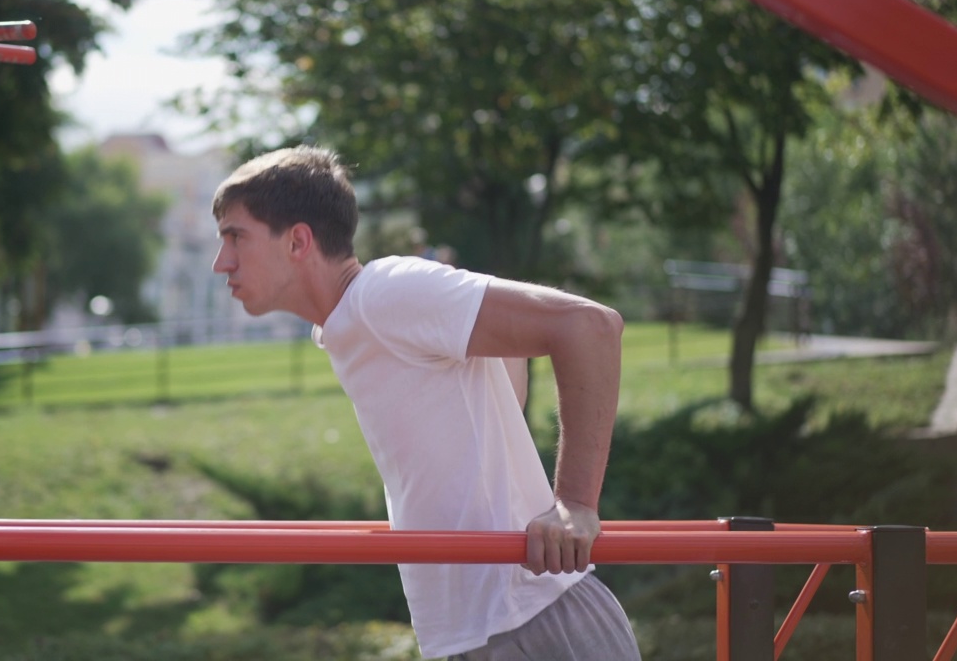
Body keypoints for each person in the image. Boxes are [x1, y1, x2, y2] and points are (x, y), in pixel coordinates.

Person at [211, 146, 640, 661]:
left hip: (532, 621)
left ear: (298, 241)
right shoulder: (346, 324)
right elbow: (508, 382)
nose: (222, 262)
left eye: (235, 237)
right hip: (474, 633)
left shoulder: (385, 293)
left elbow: (590, 327)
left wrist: (574, 504)